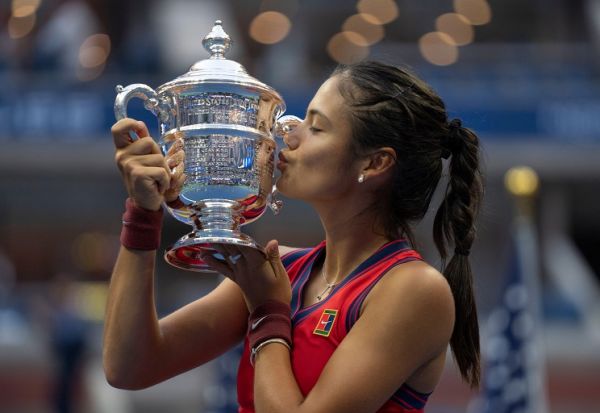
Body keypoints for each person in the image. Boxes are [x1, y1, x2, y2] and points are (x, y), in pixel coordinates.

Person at [104, 60, 484, 413]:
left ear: (375, 163)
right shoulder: (280, 271)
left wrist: (268, 313)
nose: (288, 134)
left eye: (316, 127)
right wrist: (143, 213)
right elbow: (130, 367)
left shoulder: (412, 289)